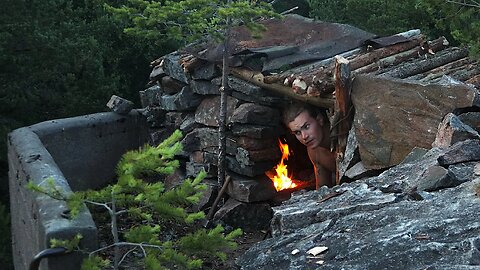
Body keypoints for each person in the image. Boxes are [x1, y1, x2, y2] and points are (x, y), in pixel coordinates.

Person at [282, 102, 336, 189]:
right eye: (297, 132)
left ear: (319, 120)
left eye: (306, 127)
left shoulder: (343, 135)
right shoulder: (314, 152)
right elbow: (323, 189)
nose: (304, 137)